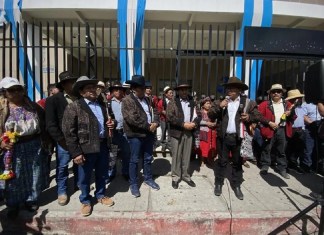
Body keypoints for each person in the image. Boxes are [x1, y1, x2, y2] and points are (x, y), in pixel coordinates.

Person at [62, 76, 115, 217]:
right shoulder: (74, 106)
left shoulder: (102, 105)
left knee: (102, 173)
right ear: (81, 92)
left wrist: (111, 124)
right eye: (88, 88)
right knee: (84, 177)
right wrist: (76, 153)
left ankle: (100, 195)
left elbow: (109, 121)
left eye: (94, 87)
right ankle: (85, 200)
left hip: (103, 145)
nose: (92, 90)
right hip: (85, 148)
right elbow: (69, 132)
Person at [0, 77, 50, 219]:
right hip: (12, 148)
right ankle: (13, 204)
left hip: (34, 144)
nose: (16, 93)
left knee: (34, 172)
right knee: (14, 176)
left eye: (18, 89)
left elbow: (43, 125)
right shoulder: (2, 109)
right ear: (4, 92)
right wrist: (1, 143)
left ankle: (31, 199)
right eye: (11, 90)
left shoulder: (33, 106)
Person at [208, 77, 261, 200]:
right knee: (222, 162)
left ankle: (236, 185)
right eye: (228, 88)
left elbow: (257, 115)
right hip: (223, 137)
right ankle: (219, 183)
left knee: (237, 163)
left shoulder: (248, 102)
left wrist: (249, 117)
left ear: (239, 90)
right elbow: (210, 114)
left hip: (238, 138)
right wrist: (219, 107)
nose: (229, 91)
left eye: (232, 88)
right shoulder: (221, 101)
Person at [122, 75, 160, 198]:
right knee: (134, 160)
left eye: (145, 88)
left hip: (148, 134)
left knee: (148, 158)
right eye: (141, 88)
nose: (144, 90)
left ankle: (148, 178)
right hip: (135, 135)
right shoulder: (128, 100)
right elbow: (132, 119)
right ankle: (133, 184)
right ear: (134, 88)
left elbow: (155, 112)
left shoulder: (147, 99)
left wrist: (155, 123)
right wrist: (148, 126)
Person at [45, 71, 78, 206]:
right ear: (64, 84)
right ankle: (62, 191)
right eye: (71, 81)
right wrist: (60, 140)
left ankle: (78, 184)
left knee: (79, 164)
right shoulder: (53, 100)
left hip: (79, 138)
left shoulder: (78, 97)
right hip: (63, 140)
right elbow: (51, 123)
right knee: (63, 166)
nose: (74, 84)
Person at [166, 81, 201, 189]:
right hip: (177, 132)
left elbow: (198, 115)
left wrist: (194, 123)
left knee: (187, 155)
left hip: (189, 131)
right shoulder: (172, 102)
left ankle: (186, 176)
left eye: (186, 89)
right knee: (176, 155)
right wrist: (183, 124)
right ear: (178, 91)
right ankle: (176, 177)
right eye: (182, 89)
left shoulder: (193, 101)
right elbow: (169, 116)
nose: (184, 91)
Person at [258, 84, 296, 179]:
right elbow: (258, 116)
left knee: (281, 150)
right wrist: (269, 122)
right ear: (270, 93)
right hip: (269, 129)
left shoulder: (288, 105)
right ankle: (265, 166)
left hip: (282, 129)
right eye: (273, 91)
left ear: (282, 93)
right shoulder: (264, 104)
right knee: (267, 148)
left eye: (278, 91)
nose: (276, 93)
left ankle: (282, 168)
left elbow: (294, 117)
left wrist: (290, 113)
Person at [108, 81, 130, 181]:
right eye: (116, 90)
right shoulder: (108, 103)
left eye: (120, 90)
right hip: (114, 132)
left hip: (125, 131)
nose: (118, 91)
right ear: (112, 91)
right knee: (112, 154)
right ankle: (111, 173)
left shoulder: (127, 101)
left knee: (126, 153)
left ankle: (125, 172)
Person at [285, 89, 306, 174]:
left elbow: (302, 118)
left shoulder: (302, 107)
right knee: (288, 148)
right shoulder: (288, 107)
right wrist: (292, 106)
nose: (298, 100)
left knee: (299, 148)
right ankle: (286, 165)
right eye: (296, 98)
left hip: (300, 130)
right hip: (291, 129)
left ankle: (293, 164)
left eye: (299, 98)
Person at [303, 102, 322, 173]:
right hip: (310, 126)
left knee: (319, 148)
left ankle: (318, 166)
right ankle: (307, 165)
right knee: (309, 147)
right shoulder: (306, 104)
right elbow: (304, 115)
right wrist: (311, 123)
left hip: (321, 126)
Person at [198, 96, 217, 166]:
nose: (209, 105)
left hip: (211, 132)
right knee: (203, 146)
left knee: (210, 146)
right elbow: (198, 121)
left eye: (209, 103)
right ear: (203, 105)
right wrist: (207, 123)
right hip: (204, 132)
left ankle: (209, 159)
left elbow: (216, 120)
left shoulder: (212, 112)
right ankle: (202, 160)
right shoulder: (200, 112)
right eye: (207, 103)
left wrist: (214, 123)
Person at [157, 86, 174, 154]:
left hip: (171, 120)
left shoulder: (173, 101)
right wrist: (162, 111)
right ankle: (163, 144)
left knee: (170, 133)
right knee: (163, 132)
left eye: (172, 93)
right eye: (170, 93)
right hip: (163, 119)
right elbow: (158, 109)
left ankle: (169, 145)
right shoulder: (161, 101)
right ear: (166, 94)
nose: (171, 94)